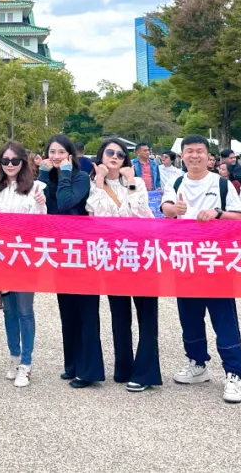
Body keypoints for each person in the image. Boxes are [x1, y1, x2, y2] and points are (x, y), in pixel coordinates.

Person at [160, 134, 241, 404]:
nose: (194, 156)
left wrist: (217, 214)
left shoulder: (221, 184)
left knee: (224, 318)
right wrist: (174, 208)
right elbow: (164, 209)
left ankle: (234, 373)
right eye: (189, 151)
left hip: (216, 261)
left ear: (208, 156)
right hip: (185, 260)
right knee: (189, 316)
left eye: (199, 151)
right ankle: (197, 363)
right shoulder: (175, 182)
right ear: (182, 155)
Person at [87, 138, 161, 393]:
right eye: (110, 152)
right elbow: (98, 217)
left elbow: (139, 215)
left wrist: (130, 184)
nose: (115, 156)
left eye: (120, 154)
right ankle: (124, 367)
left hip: (141, 254)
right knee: (119, 315)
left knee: (147, 314)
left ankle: (146, 372)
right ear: (101, 155)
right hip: (112, 257)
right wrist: (98, 181)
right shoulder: (93, 185)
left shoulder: (137, 183)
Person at [37, 135, 98, 389]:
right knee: (67, 310)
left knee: (86, 311)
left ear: (70, 155)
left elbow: (64, 205)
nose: (56, 156)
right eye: (52, 152)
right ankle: (71, 364)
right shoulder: (48, 178)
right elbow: (37, 206)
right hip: (59, 251)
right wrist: (42, 174)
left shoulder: (81, 177)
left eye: (61, 152)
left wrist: (63, 173)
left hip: (82, 251)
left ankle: (89, 370)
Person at [0, 141, 45, 388]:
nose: (10, 165)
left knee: (24, 310)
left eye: (14, 160)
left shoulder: (35, 188)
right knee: (9, 310)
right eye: (5, 160)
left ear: (23, 162)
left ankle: (27, 363)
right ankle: (14, 356)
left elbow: (42, 223)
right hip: (1, 257)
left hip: (24, 257)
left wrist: (42, 203)